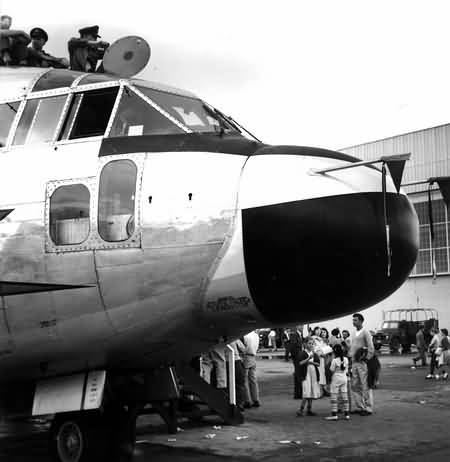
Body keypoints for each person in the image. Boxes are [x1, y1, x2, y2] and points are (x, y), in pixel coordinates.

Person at [349, 313, 374, 415]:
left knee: (365, 385)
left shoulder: (366, 332)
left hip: (362, 363)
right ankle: (360, 407)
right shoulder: (354, 333)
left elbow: (371, 348)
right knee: (355, 385)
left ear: (360, 321)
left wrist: (366, 359)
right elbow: (352, 348)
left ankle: (368, 408)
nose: (353, 322)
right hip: (354, 363)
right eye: (353, 320)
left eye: (355, 320)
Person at [296, 337, 321, 417]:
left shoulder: (314, 353)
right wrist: (308, 359)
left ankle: (309, 409)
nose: (311, 345)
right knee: (306, 391)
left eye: (312, 343)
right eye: (309, 343)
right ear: (305, 344)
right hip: (305, 374)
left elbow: (318, 363)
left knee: (311, 390)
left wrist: (312, 363)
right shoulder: (302, 353)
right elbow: (300, 363)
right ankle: (301, 409)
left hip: (313, 373)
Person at [325, 344, 350, 421]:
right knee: (345, 396)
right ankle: (346, 414)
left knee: (334, 396)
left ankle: (334, 414)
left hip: (336, 378)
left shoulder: (334, 360)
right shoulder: (346, 359)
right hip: (344, 378)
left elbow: (331, 370)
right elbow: (346, 370)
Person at [242, 330, 260, 408]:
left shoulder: (245, 336)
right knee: (253, 380)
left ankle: (247, 400)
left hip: (246, 356)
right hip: (253, 356)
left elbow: (242, 347)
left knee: (244, 380)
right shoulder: (256, 335)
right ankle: (256, 399)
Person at [227, 339, 247, 411]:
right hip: (236, 361)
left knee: (228, 385)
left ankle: (229, 403)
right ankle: (240, 404)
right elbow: (243, 349)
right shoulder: (234, 337)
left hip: (225, 362)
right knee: (239, 384)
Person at [288, 326, 304, 399]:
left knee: (299, 375)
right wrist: (297, 357)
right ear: (298, 327)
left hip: (299, 358)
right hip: (297, 358)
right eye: (301, 326)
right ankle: (298, 394)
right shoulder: (294, 335)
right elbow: (293, 347)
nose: (303, 327)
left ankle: (299, 393)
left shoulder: (300, 335)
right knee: (298, 375)